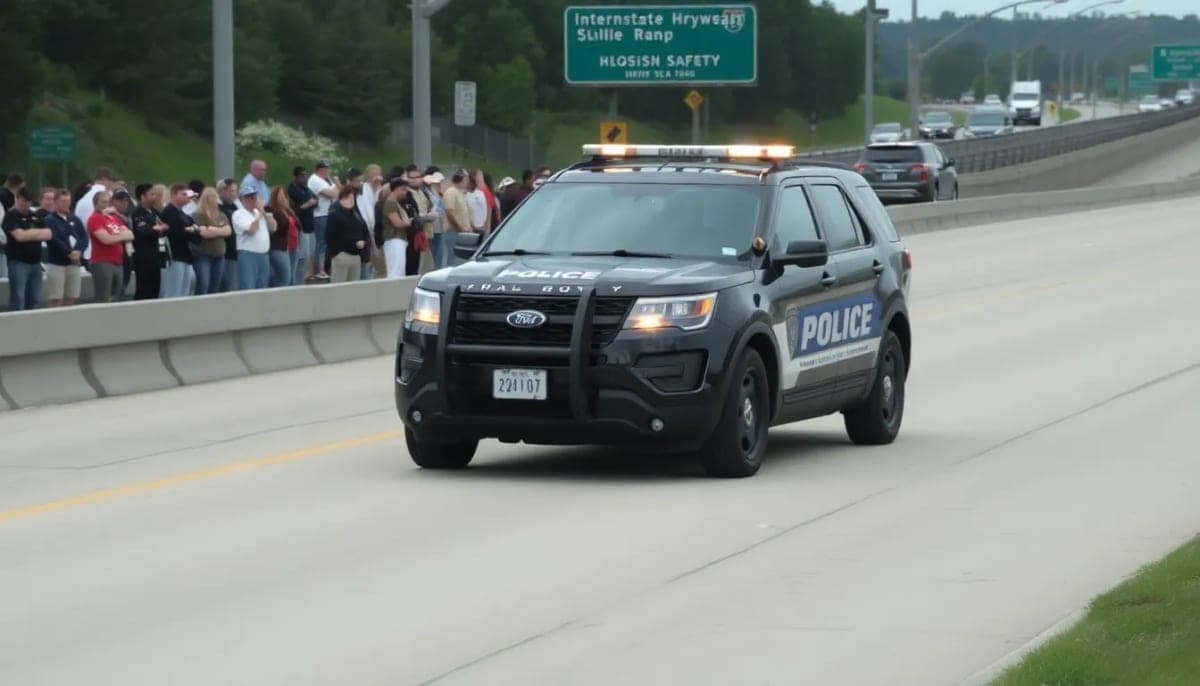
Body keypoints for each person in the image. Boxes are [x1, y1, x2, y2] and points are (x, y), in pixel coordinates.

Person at [2, 187, 52, 311]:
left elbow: (48, 234)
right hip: (18, 263)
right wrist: (36, 234)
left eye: (29, 201)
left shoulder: (34, 216)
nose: (26, 204)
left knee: (34, 298)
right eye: (23, 200)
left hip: (35, 263)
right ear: (17, 199)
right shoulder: (11, 216)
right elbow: (19, 236)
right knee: (18, 298)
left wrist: (28, 233)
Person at [43, 189, 89, 307]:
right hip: (57, 263)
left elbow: (83, 237)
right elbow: (54, 239)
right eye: (63, 201)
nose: (66, 204)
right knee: (56, 297)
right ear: (56, 202)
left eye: (68, 201)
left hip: (73, 263)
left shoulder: (74, 219)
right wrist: (69, 252)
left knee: (72, 295)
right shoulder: (49, 220)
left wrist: (79, 251)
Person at [86, 190, 134, 303]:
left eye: (107, 202)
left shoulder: (113, 218)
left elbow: (130, 234)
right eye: (103, 202)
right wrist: (121, 236)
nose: (105, 205)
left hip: (118, 262)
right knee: (103, 297)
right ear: (96, 204)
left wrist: (117, 236)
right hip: (102, 262)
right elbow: (106, 239)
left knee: (115, 297)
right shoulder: (95, 218)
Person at [160, 183, 200, 298]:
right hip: (175, 256)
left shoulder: (184, 215)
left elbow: (197, 233)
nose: (186, 197)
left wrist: (191, 229)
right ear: (173, 194)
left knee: (185, 291)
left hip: (186, 257)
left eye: (187, 194)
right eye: (183, 194)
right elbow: (178, 233)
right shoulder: (169, 212)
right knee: (174, 291)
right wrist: (191, 230)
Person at [190, 188, 232, 295]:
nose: (214, 199)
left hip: (219, 255)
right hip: (203, 255)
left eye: (215, 196)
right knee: (204, 284)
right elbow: (204, 233)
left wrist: (213, 229)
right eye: (212, 197)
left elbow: (228, 231)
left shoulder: (221, 215)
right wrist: (220, 230)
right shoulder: (198, 215)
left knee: (215, 285)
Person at [131, 184, 169, 300]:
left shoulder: (154, 212)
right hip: (143, 257)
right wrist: (158, 229)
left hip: (156, 256)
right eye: (151, 194)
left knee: (154, 289)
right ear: (142, 196)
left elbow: (165, 227)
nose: (154, 197)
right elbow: (144, 231)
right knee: (143, 290)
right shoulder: (138, 213)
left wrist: (159, 229)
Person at [325, 185, 370, 283]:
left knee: (353, 288)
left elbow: (364, 229)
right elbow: (330, 236)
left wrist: (363, 243)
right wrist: (336, 253)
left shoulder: (355, 214)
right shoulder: (335, 214)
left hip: (356, 255)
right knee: (339, 287)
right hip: (342, 254)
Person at [232, 185, 274, 290]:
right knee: (248, 285)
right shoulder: (239, 214)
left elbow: (273, 228)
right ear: (243, 199)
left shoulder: (259, 213)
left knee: (263, 286)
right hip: (248, 254)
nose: (254, 200)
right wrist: (259, 215)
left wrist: (263, 212)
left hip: (263, 254)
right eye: (250, 197)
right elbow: (251, 231)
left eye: (255, 196)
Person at [306, 160, 340, 281]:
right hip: (320, 215)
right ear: (319, 169)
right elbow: (332, 194)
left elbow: (339, 193)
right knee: (321, 243)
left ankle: (323, 268)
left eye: (328, 168)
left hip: (328, 213)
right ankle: (318, 270)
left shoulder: (327, 180)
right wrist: (337, 184)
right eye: (326, 168)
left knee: (326, 243)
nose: (328, 171)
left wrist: (336, 187)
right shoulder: (315, 179)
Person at [287, 167, 317, 285]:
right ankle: (297, 282)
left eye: (306, 175)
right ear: (296, 176)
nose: (305, 178)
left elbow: (315, 199)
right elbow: (300, 206)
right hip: (301, 226)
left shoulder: (306, 188)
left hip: (310, 225)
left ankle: (303, 278)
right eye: (302, 176)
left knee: (308, 254)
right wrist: (308, 203)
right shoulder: (292, 188)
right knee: (301, 257)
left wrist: (308, 203)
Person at [379, 177, 414, 279]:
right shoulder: (390, 203)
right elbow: (397, 223)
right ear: (397, 189)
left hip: (399, 240)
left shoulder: (395, 203)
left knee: (399, 271)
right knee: (395, 272)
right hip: (394, 239)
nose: (405, 192)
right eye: (403, 189)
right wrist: (410, 222)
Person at [266, 185, 299, 288]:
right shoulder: (271, 210)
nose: (284, 198)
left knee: (292, 276)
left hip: (293, 246)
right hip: (279, 246)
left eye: (285, 195)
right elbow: (276, 229)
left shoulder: (289, 211)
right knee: (284, 275)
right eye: (281, 195)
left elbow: (297, 226)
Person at [109, 188, 136, 300]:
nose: (123, 203)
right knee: (113, 292)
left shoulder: (127, 216)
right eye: (120, 200)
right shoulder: (109, 215)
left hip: (127, 256)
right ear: (113, 201)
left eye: (125, 200)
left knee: (122, 288)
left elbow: (130, 227)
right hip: (113, 258)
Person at [441, 170, 472, 266]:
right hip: (454, 232)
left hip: (462, 232)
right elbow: (450, 212)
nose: (468, 181)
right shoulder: (451, 192)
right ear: (461, 178)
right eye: (466, 179)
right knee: (453, 259)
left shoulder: (460, 193)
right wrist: (460, 227)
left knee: (460, 259)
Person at [216, 178, 240, 292]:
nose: (234, 194)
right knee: (227, 286)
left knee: (233, 285)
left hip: (235, 251)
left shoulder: (234, 207)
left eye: (235, 191)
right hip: (225, 252)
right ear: (221, 191)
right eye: (231, 191)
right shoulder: (217, 208)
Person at [423, 169, 448, 269]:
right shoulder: (427, 193)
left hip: (438, 228)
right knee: (433, 254)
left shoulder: (436, 194)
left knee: (438, 254)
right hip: (431, 228)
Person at [466, 170, 491, 237]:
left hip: (480, 227)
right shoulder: (465, 194)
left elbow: (487, 210)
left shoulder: (481, 194)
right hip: (469, 228)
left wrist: (486, 228)